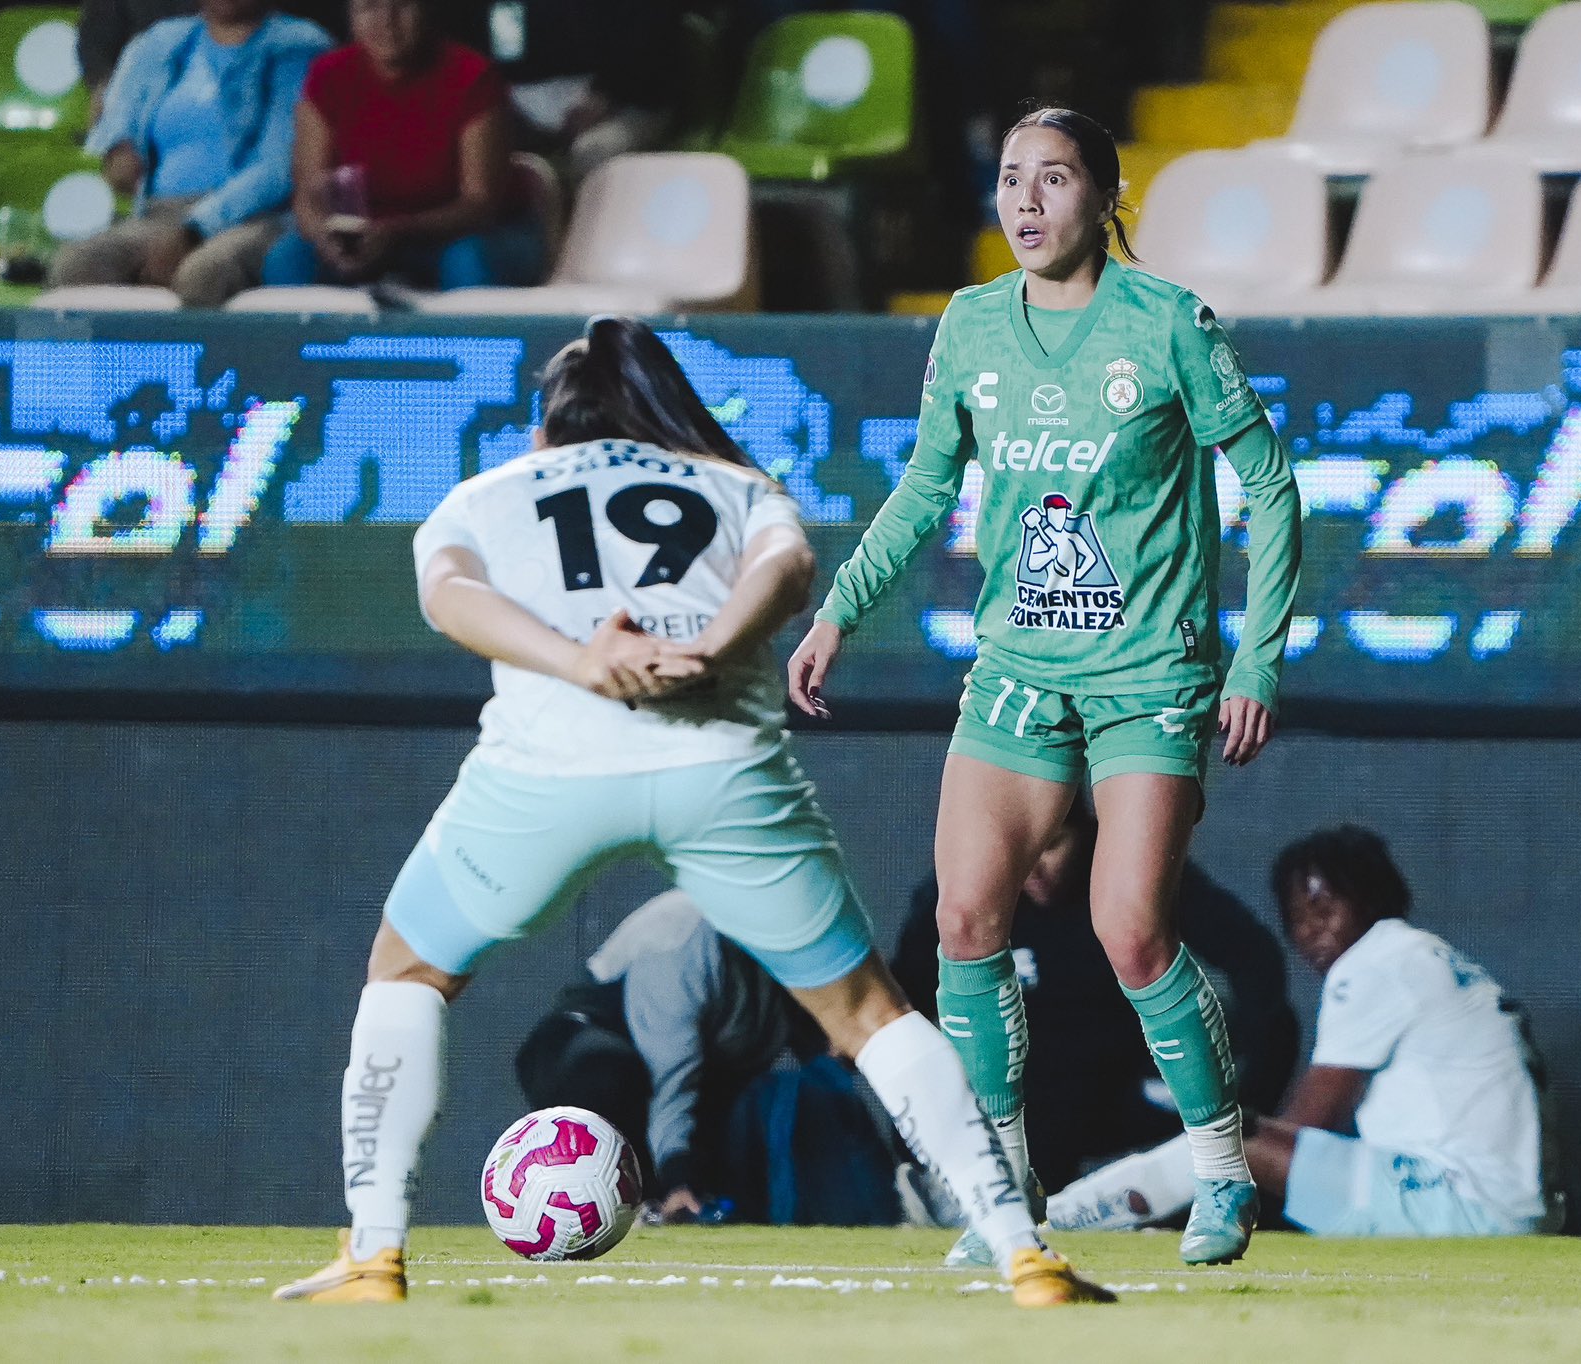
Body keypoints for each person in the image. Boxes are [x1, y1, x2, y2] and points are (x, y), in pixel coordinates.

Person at [272, 316, 1110, 1309]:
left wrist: (585, 660)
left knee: (405, 970)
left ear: (551, 422)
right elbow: (787, 572)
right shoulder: (738, 485)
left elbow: (449, 594)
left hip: (546, 770)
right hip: (722, 770)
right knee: (868, 1014)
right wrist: (707, 649)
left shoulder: (486, 492)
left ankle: (373, 1252)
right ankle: (1021, 1249)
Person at [786, 107, 1304, 1268]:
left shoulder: (1166, 322)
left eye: (1053, 178)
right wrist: (837, 610)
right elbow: (925, 488)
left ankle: (1223, 1169)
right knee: (964, 922)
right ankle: (1002, 1191)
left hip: (1146, 673)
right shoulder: (970, 325)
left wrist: (1255, 659)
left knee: (1129, 932)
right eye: (1009, 179)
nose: (1024, 202)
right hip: (1018, 669)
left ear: (1102, 195)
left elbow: (1269, 486)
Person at [1047, 825, 1563, 1240]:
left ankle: (1058, 1222)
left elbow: (1310, 1127)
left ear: (1373, 900)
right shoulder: (1425, 955)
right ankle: (1085, 1216)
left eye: (1325, 909)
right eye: (1297, 918)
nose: (1310, 932)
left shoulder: (1376, 963)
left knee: (1233, 1140)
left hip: (1459, 1206)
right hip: (1504, 1203)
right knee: (1240, 1146)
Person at [891, 800, 1301, 1190]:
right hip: (1019, 1092)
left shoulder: (1127, 875)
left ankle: (1229, 1170)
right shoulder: (962, 900)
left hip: (1123, 1085)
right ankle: (971, 1195)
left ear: (1084, 834)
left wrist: (1240, 1084)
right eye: (1018, 850)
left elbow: (1254, 960)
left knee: (1278, 1031)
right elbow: (901, 1000)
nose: (1035, 868)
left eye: (1051, 845)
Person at [517, 889, 900, 1228]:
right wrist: (677, 1181)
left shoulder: (793, 960)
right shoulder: (680, 940)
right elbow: (671, 1084)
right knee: (608, 1076)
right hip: (586, 1057)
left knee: (808, 1098)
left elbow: (852, 1040)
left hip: (696, 1080)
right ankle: (618, 1207)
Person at [261, 0, 545, 292]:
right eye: (369, 7)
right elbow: (309, 194)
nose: (387, 20)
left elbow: (478, 205)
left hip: (469, 234)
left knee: (467, 260)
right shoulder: (328, 76)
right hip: (368, 237)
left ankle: (465, 339)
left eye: (403, 6)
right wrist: (324, 238)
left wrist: (398, 231)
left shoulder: (473, 76)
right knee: (287, 259)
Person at [59, 1, 331, 306]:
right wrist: (119, 149)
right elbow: (119, 121)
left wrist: (194, 229)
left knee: (204, 272)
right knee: (77, 265)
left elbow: (279, 167)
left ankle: (194, 356)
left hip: (255, 219)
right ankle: (89, 356)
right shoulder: (160, 42)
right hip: (159, 215)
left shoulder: (298, 46)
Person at [437, 0, 683, 185]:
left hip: (625, 101)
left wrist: (604, 95)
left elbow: (651, 43)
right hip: (520, 99)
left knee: (593, 153)